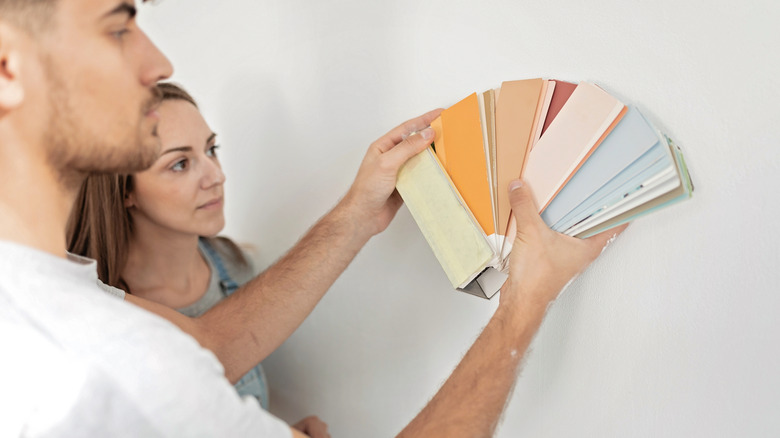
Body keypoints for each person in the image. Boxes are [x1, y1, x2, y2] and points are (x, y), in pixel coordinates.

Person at [0, 1, 626, 437]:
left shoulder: (52, 304)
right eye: (117, 27)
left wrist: (357, 213)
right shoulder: (113, 363)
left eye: (210, 152)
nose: (158, 61)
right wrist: (527, 299)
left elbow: (208, 351)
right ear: (8, 66)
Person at [67, 81, 327, 436]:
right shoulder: (95, 309)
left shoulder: (235, 267)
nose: (216, 176)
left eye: (211, 149)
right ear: (125, 190)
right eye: (180, 164)